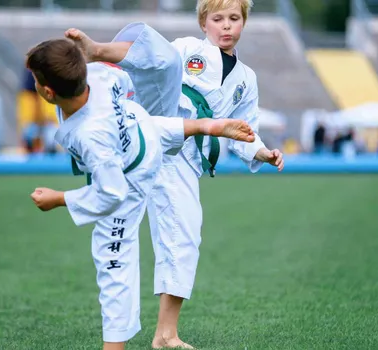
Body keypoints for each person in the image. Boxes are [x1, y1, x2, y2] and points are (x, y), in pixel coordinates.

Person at [65, 1, 286, 347]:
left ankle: (165, 334)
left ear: (244, 22)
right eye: (218, 19)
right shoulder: (187, 49)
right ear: (203, 23)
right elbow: (154, 64)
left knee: (185, 236)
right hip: (158, 119)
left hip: (183, 159)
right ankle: (97, 52)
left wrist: (263, 152)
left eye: (234, 18)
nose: (226, 26)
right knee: (165, 58)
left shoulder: (247, 79)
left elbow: (245, 129)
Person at [26, 32, 255, 350]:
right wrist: (92, 53)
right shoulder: (101, 75)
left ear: (48, 92)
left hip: (129, 173)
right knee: (144, 116)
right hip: (143, 127)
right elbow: (132, 79)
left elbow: (111, 193)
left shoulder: (88, 136)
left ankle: (114, 346)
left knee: (113, 260)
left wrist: (59, 199)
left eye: (35, 81)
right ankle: (205, 125)